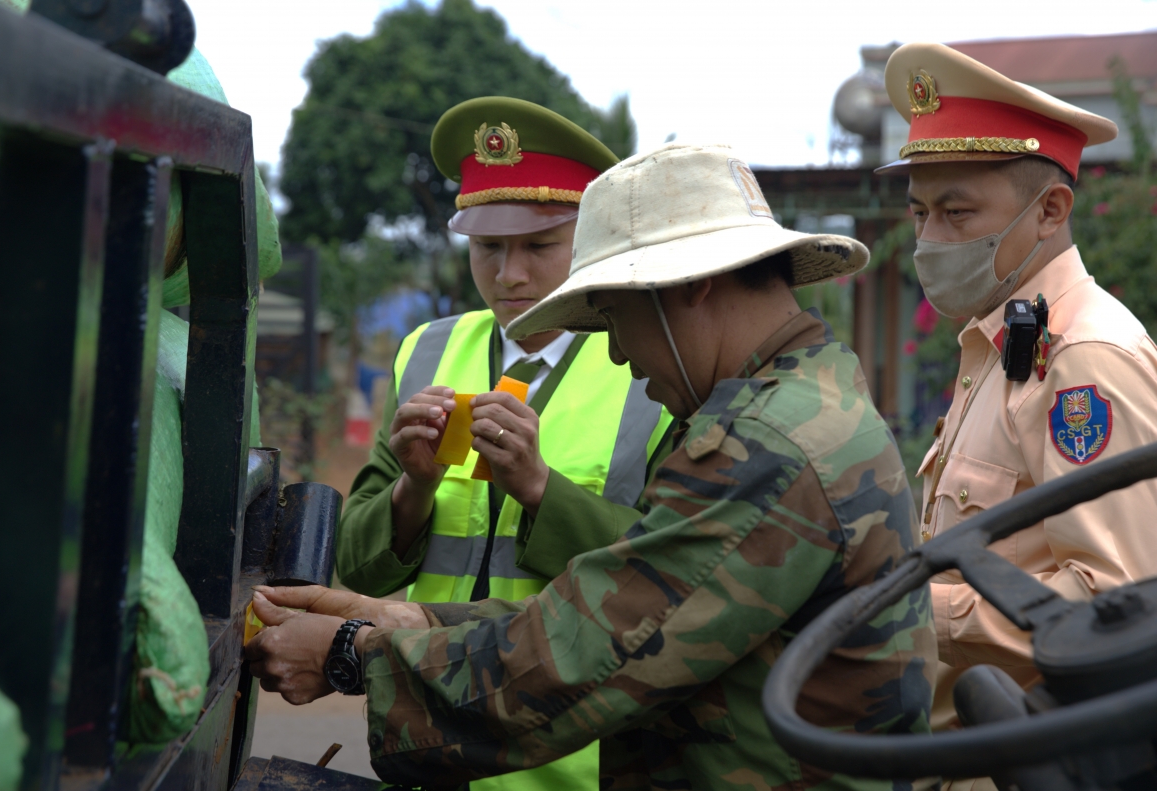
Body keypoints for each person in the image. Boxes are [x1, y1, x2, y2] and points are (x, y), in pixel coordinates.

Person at [247, 142, 936, 790]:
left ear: (689, 285)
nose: (615, 356)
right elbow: (628, 596)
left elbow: (591, 650)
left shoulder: (765, 441)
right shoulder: (797, 396)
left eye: (613, 316)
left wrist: (352, 654)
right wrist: (407, 622)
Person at [334, 97, 674, 791]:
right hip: (430, 736)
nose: (509, 274)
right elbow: (359, 567)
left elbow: (674, 574)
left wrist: (541, 488)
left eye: (539, 246)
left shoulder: (648, 371)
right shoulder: (425, 352)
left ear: (588, 238)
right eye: (488, 247)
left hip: (573, 756)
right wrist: (414, 487)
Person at [879, 43, 1157, 789]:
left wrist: (911, 606)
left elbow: (1119, 609)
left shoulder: (1084, 361)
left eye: (956, 211)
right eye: (920, 213)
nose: (929, 239)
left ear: (1051, 211)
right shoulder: (1000, 340)